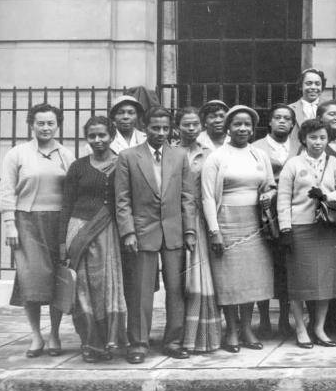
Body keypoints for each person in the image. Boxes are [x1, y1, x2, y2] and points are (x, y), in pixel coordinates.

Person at [115, 106, 196, 362]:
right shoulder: (128, 157)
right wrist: (128, 232)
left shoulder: (180, 155)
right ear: (145, 127)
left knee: (175, 289)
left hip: (173, 232)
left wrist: (190, 230)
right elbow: (122, 200)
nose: (160, 133)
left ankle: (173, 341)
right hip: (141, 232)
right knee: (140, 291)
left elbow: (187, 196)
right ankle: (138, 343)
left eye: (165, 128)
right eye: (154, 128)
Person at [0, 103, 75, 358]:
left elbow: (73, 191)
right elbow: (7, 190)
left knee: (57, 279)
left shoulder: (66, 154)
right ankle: (35, 335)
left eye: (50, 123)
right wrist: (10, 223)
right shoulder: (17, 154)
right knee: (30, 280)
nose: (45, 128)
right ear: (31, 124)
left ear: (58, 125)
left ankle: (54, 333)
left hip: (59, 223)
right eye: (40, 123)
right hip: (27, 222)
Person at [201, 105, 276, 353]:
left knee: (251, 279)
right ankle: (231, 330)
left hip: (255, 224)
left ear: (253, 128)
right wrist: (215, 231)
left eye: (247, 124)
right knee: (229, 280)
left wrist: (268, 193)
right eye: (237, 124)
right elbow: (208, 197)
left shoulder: (259, 155)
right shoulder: (217, 157)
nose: (242, 128)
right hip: (226, 221)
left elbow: (269, 184)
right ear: (229, 128)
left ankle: (247, 328)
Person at [277, 117, 336, 349]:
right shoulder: (293, 164)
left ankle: (319, 327)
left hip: (327, 229)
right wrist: (286, 228)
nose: (318, 142)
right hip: (300, 228)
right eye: (313, 137)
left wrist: (326, 196)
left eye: (322, 137)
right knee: (300, 282)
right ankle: (301, 328)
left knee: (325, 281)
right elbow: (283, 199)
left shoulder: (334, 163)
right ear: (303, 138)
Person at [59, 116, 127, 362]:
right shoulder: (78, 166)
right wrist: (61, 243)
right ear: (86, 138)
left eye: (102, 135)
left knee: (107, 287)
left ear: (112, 136)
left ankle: (108, 342)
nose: (97, 140)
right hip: (80, 232)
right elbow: (66, 205)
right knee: (84, 288)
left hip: (110, 233)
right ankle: (89, 343)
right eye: (92, 136)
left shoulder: (123, 163)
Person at [175, 107, 223, 353]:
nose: (191, 129)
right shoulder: (171, 153)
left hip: (201, 221)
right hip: (177, 220)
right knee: (180, 281)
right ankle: (178, 335)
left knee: (201, 278)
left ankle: (204, 337)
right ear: (178, 127)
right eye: (186, 124)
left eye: (195, 124)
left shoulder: (209, 153)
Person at [250, 103, 297, 339]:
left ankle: (285, 318)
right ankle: (265, 319)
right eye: (277, 117)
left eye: (287, 118)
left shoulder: (299, 147)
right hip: (264, 213)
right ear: (269, 122)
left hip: (291, 212)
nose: (281, 121)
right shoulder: (256, 147)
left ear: (292, 124)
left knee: (286, 266)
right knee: (263, 264)